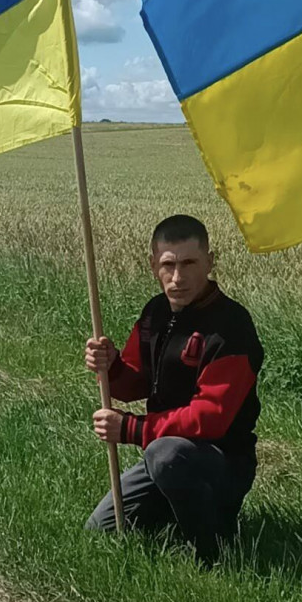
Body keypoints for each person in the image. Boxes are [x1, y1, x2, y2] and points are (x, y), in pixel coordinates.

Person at [85, 214, 263, 565]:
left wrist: (132, 429)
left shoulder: (232, 327)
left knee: (164, 454)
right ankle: (177, 508)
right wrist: (111, 365)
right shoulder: (155, 313)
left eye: (189, 263)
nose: (178, 277)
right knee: (101, 529)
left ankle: (212, 549)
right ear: (154, 265)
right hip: (165, 456)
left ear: (210, 262)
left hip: (221, 462)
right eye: (168, 264)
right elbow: (134, 381)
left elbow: (211, 418)